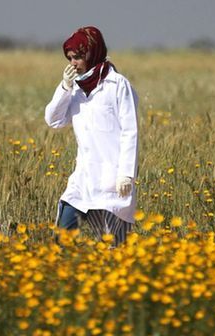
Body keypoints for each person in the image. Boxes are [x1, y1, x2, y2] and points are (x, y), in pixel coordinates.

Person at [45, 26, 139, 247]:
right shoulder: (75, 89)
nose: (73, 63)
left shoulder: (117, 85)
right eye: (69, 58)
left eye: (77, 57)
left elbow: (130, 131)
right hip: (83, 180)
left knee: (114, 247)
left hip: (112, 183)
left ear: (92, 52)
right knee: (62, 241)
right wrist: (64, 87)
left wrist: (126, 174)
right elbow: (54, 120)